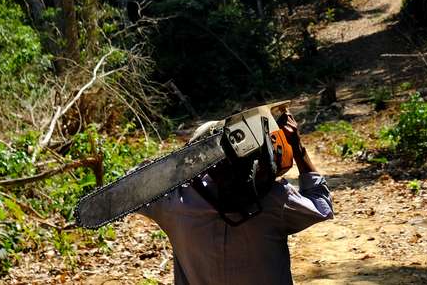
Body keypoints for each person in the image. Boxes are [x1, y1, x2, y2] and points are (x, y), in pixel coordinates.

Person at [138, 112, 333, 285]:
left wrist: (177, 167)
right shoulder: (274, 198)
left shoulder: (173, 202)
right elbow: (322, 206)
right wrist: (297, 148)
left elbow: (127, 190)